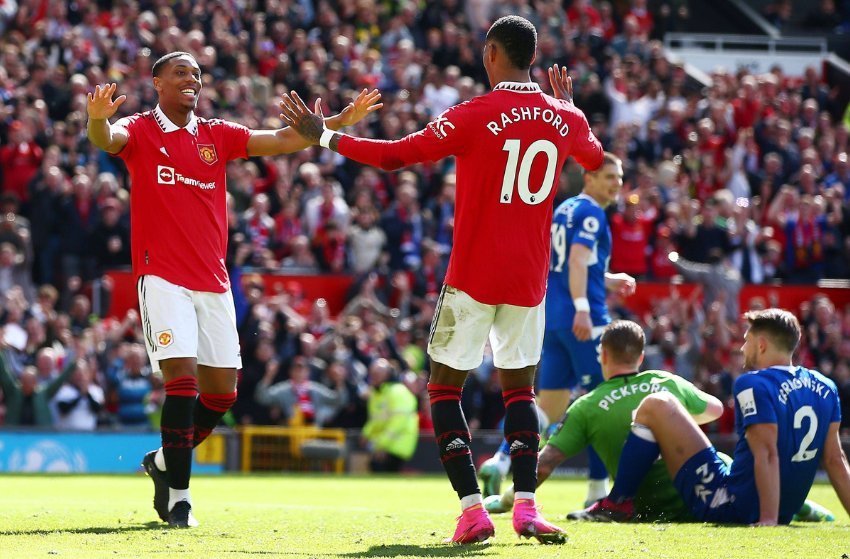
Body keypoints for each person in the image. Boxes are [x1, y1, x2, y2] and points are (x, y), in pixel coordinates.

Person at [279, 15, 604, 544]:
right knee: (520, 392)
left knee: (443, 386)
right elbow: (593, 157)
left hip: (474, 275)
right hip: (527, 278)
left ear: (493, 53)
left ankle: (473, 510)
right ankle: (526, 507)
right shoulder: (563, 116)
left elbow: (394, 157)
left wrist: (327, 137)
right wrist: (569, 108)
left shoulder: (473, 114)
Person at [86, 51, 381, 528]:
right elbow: (107, 137)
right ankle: (180, 498)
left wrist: (336, 121)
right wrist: (96, 120)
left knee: (222, 394)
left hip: (214, 280)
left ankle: (162, 462)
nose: (192, 80)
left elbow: (284, 139)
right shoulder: (140, 129)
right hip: (161, 276)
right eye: (180, 72)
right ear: (157, 81)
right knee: (181, 384)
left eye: (197, 74)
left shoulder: (216, 134)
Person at [579, 308, 850, 525]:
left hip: (731, 505)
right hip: (781, 507)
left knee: (656, 405)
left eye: (747, 341)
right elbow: (835, 460)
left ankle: (617, 502)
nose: (743, 349)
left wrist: (768, 520)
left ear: (763, 344)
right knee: (725, 458)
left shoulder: (753, 383)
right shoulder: (825, 386)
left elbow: (766, 453)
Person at [481, 152, 636, 508]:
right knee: (602, 401)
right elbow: (579, 260)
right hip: (583, 320)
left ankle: (501, 460)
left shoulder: (564, 210)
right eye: (609, 176)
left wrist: (610, 281)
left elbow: (567, 264)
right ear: (589, 178)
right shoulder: (592, 213)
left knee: (547, 406)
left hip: (551, 317)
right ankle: (598, 491)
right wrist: (584, 308)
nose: (616, 184)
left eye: (619, 177)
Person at [485, 319, 723, 521]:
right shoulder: (668, 382)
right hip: (700, 496)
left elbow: (544, 465)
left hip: (648, 508)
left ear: (604, 355)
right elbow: (716, 410)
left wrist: (505, 501)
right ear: (641, 357)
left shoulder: (587, 406)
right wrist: (671, 423)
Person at [360, 358, 419, 472]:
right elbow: (375, 419)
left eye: (377, 374)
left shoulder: (398, 392)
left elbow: (398, 423)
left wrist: (382, 446)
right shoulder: (377, 393)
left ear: (387, 374)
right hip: (385, 446)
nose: (373, 377)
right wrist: (366, 433)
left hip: (396, 446)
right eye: (372, 373)